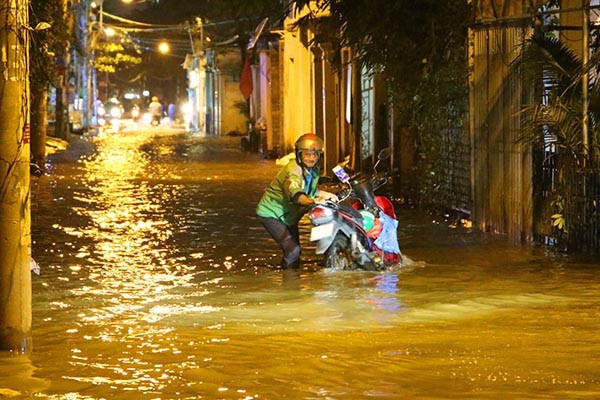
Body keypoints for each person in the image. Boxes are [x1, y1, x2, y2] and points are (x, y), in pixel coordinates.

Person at [256, 133, 338, 269]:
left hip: (289, 216)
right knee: (292, 250)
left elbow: (308, 189)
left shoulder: (314, 169)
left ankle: (294, 277)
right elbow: (297, 195)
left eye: (315, 154)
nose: (311, 158)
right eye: (307, 154)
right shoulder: (293, 171)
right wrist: (314, 201)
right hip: (272, 213)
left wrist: (326, 194)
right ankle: (288, 285)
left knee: (297, 252)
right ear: (299, 155)